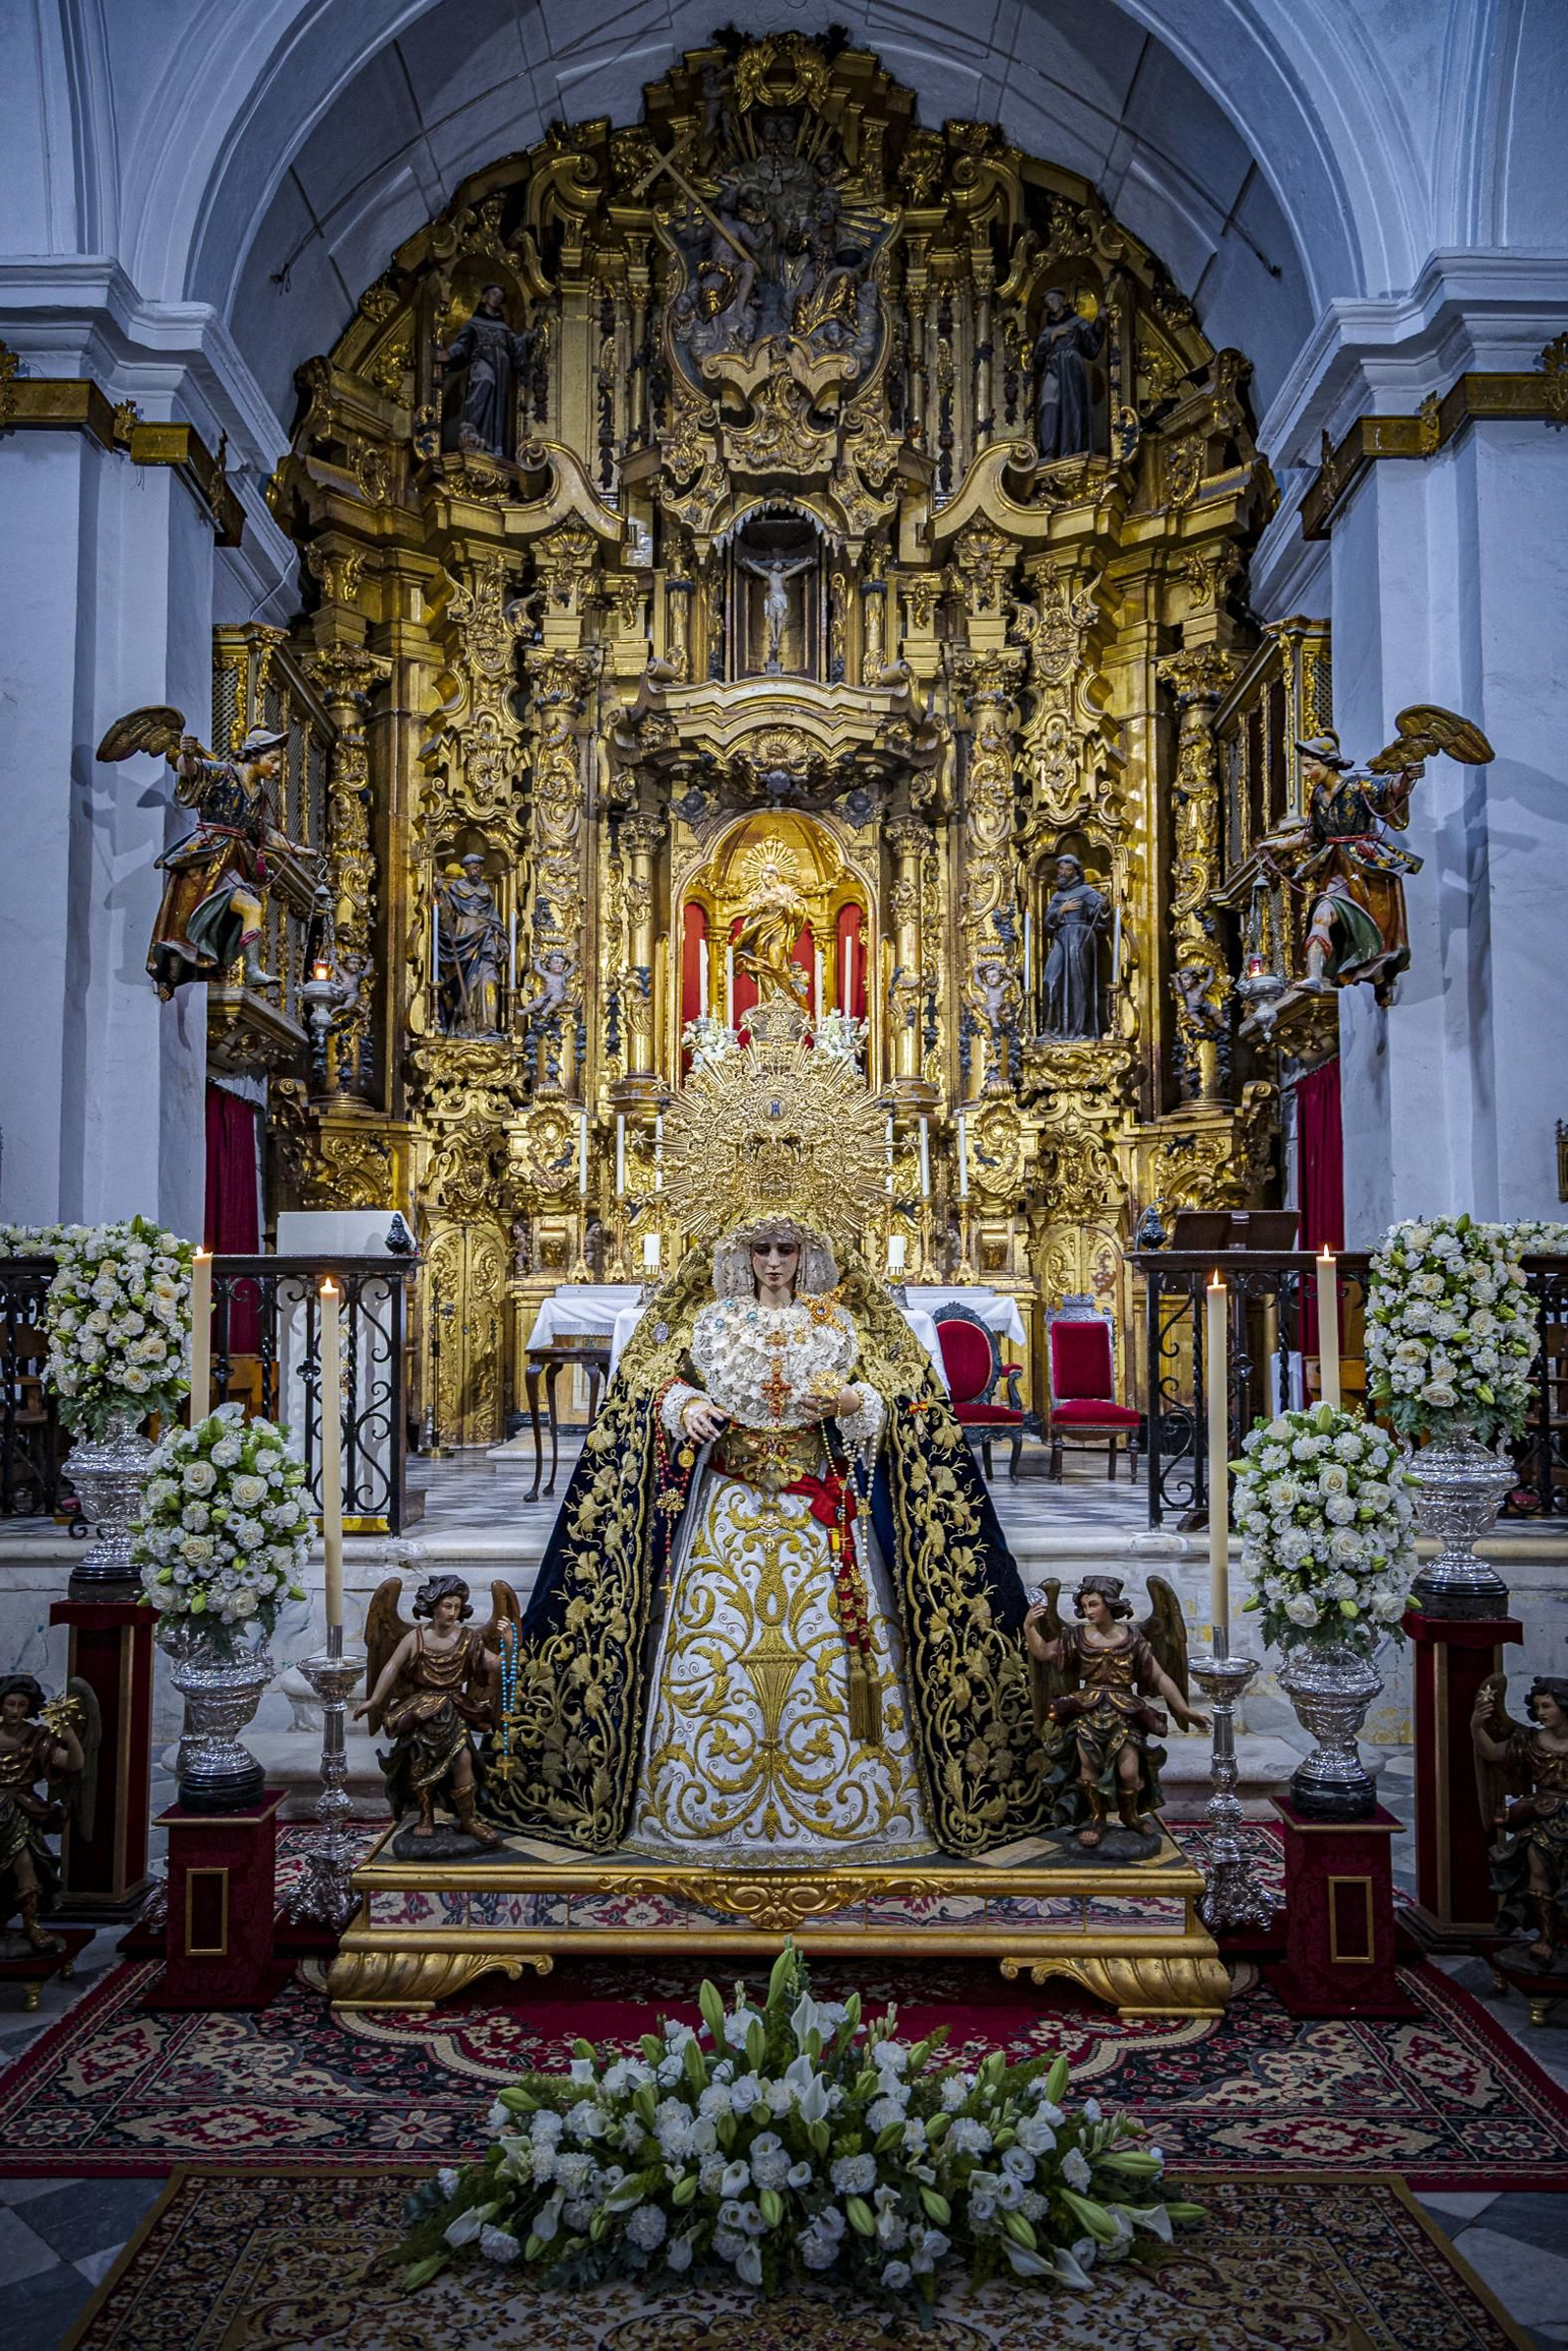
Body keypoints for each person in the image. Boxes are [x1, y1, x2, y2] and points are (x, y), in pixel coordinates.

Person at [481, 1010, 1050, 1860]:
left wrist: (855, 1402)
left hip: (827, 1518)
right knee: (710, 1662)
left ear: (807, 1247)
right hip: (729, 1506)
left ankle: (864, 1801)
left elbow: (903, 1405)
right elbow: (647, 1382)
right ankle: (695, 1801)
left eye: (787, 1246)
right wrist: (682, 1408)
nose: (774, 1261)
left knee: (847, 1653)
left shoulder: (847, 1317)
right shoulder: (705, 1316)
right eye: (761, 1247)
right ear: (740, 1249)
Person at [1025, 1576, 1208, 1847]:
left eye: (1094, 1604)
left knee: (1129, 1772)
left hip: (1125, 1712)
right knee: (1089, 1771)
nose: (1088, 1612)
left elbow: (1160, 1677)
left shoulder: (1134, 1638)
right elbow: (1041, 1653)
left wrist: (1184, 1709)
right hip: (1088, 1709)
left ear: (1110, 1604)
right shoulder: (1076, 1637)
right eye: (1085, 1606)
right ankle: (1097, 1818)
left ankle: (1129, 1814)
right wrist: (1029, 1625)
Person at [1261, 729, 1424, 1001]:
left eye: (1310, 766)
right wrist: (1278, 845)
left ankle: (1380, 973)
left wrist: (1407, 776)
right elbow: (1313, 834)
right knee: (1322, 914)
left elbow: (1392, 789)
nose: (1305, 773)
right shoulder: (1317, 798)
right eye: (1304, 767)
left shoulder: (1359, 785)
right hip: (1336, 868)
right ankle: (1314, 976)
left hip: (1367, 867)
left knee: (1380, 932)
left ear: (1328, 763)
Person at [147, 727, 309, 997]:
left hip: (235, 861)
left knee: (252, 907)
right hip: (206, 855)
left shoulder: (261, 795)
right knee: (183, 921)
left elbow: (263, 831)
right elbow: (190, 771)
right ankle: (170, 974)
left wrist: (296, 849)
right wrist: (186, 753)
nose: (279, 767)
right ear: (254, 756)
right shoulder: (223, 772)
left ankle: (253, 969)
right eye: (274, 759)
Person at [356, 1575, 505, 1847]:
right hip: (421, 1711)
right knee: (419, 1764)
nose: (452, 1612)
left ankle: (468, 1818)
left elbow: (495, 1665)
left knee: (463, 1761)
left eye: (457, 1608)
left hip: (453, 1709)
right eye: (447, 1606)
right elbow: (391, 1667)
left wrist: (509, 1642)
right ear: (433, 1605)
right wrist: (376, 1701)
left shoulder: (469, 1639)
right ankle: (425, 1816)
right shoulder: (416, 1637)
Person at [1472, 1673, 1568, 1967]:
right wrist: (1476, 1726)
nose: (1542, 1713)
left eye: (1548, 1706)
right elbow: (1491, 1754)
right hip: (1543, 1818)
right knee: (1537, 1871)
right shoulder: (1529, 1741)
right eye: (1538, 1707)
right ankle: (1546, 1937)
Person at [0, 1677, 85, 1951]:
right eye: (10, 1704)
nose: (15, 1710)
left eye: (21, 1705)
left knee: (25, 1863)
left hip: (20, 1810)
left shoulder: (38, 1739)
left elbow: (73, 1764)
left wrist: (71, 1739)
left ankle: (31, 1925)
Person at [439, 282, 533, 459]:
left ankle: (491, 442)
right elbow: (462, 344)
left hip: (501, 369)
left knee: (497, 404)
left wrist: (527, 338)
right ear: (485, 297)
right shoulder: (474, 323)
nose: (496, 299)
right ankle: (470, 429)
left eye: (499, 297)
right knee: (484, 382)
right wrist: (449, 354)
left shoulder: (503, 328)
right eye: (494, 294)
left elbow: (515, 346)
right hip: (482, 361)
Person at [1033, 286, 1105, 463]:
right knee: (1049, 405)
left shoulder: (1076, 322)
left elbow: (1091, 344)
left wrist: (1100, 321)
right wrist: (1053, 337)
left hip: (1072, 367)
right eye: (1047, 302)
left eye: (1052, 300)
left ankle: (1075, 450)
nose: (1050, 304)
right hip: (1054, 368)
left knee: (1074, 406)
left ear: (1061, 299)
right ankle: (1049, 451)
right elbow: (1037, 357)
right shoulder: (1048, 330)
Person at [436, 855, 506, 1036]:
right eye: (474, 868)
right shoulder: (456, 889)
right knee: (463, 986)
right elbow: (445, 917)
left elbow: (495, 919)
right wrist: (440, 895)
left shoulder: (486, 891)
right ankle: (464, 1026)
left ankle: (487, 1027)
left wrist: (502, 941)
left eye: (480, 868)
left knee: (489, 981)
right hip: (463, 943)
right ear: (466, 870)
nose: (477, 872)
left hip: (486, 944)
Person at [1040, 855, 1107, 1038]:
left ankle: (1080, 1030)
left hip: (1080, 937)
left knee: (1078, 983)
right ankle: (1051, 1029)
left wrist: (1103, 906)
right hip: (1061, 938)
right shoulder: (1056, 896)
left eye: (1067, 870)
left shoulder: (1086, 891)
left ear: (1075, 872)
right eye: (1060, 869)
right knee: (1050, 979)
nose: (1063, 873)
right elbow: (1046, 925)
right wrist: (1061, 910)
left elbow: (1100, 917)